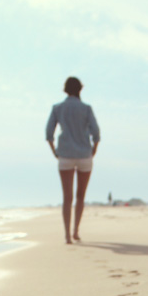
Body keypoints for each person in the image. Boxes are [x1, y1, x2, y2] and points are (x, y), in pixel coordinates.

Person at [46, 77, 100, 244]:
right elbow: (96, 133)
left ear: (65, 90)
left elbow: (49, 133)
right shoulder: (86, 108)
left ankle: (67, 235)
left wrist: (54, 151)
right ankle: (76, 230)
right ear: (80, 90)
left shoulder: (58, 108)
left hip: (65, 155)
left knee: (67, 197)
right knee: (80, 196)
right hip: (85, 154)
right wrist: (93, 151)